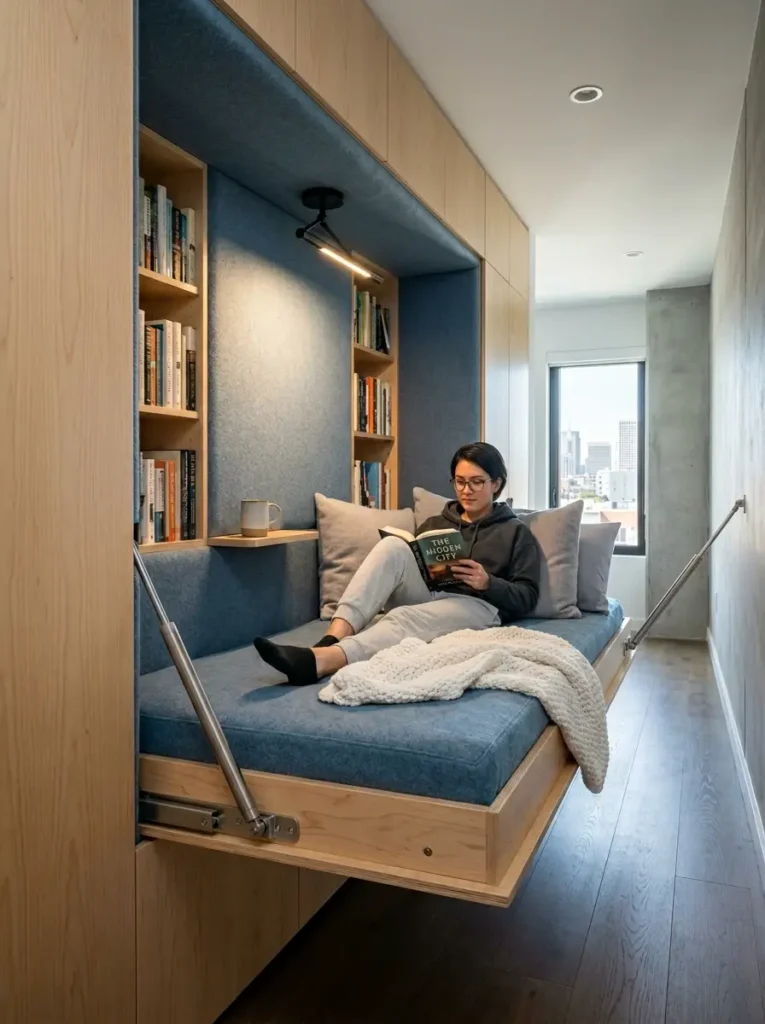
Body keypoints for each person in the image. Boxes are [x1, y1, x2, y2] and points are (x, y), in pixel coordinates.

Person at [254, 442, 541, 686]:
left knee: (402, 617)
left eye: (476, 481)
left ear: (496, 484)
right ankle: (331, 638)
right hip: (431, 594)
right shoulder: (436, 523)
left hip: (478, 606)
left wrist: (488, 582)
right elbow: (415, 563)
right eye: (460, 481)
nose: (466, 490)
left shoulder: (516, 532)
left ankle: (323, 661)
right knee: (393, 546)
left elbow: (527, 596)